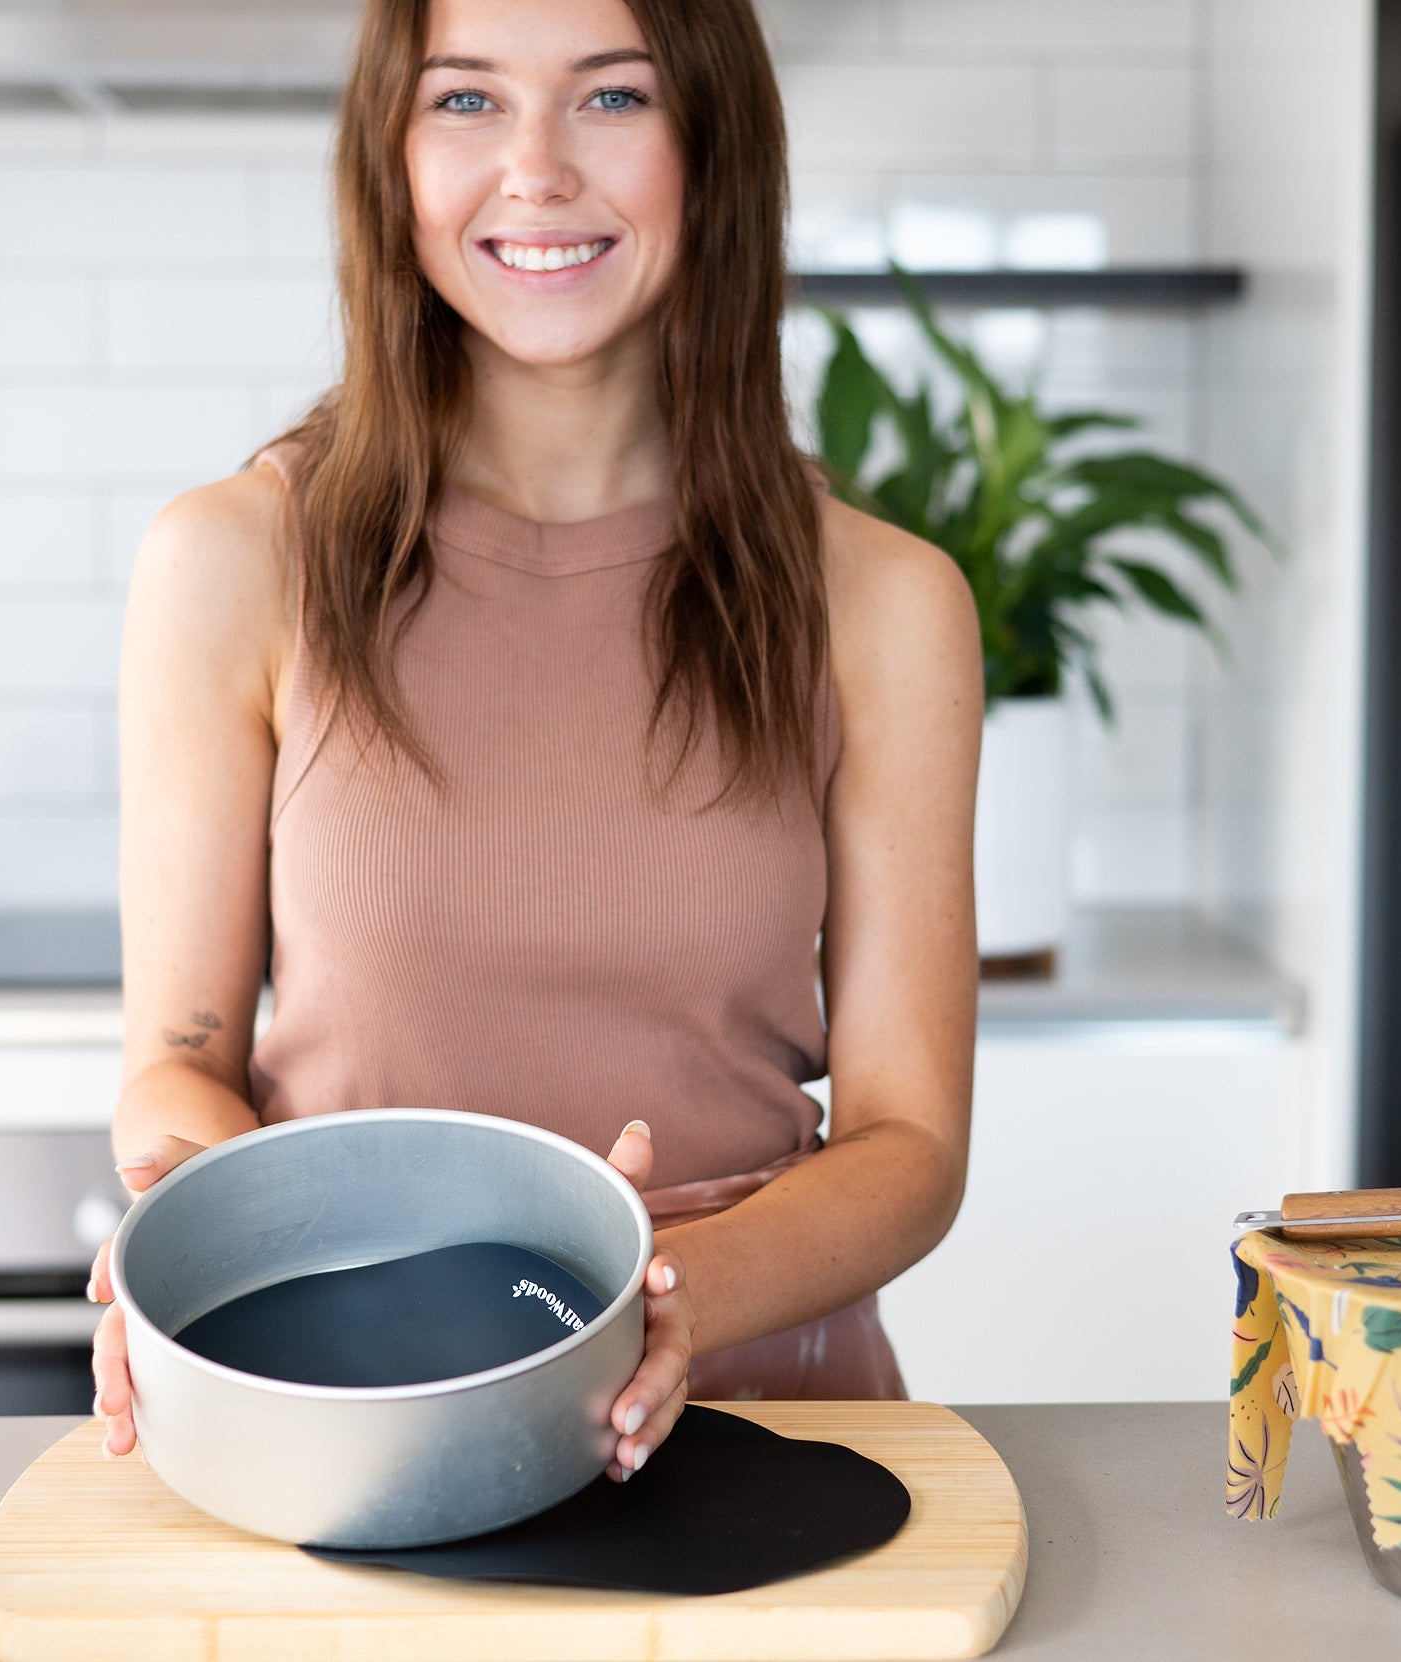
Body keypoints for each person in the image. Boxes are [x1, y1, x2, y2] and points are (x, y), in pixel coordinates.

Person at [85, 0, 981, 1480]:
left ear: (716, 145)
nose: (539, 169)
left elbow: (909, 1143)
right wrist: (181, 1247)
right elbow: (181, 1055)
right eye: (468, 103)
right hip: (350, 1398)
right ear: (394, 154)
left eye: (613, 99)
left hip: (761, 1413)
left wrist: (664, 1304)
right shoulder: (233, 560)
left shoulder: (883, 605)